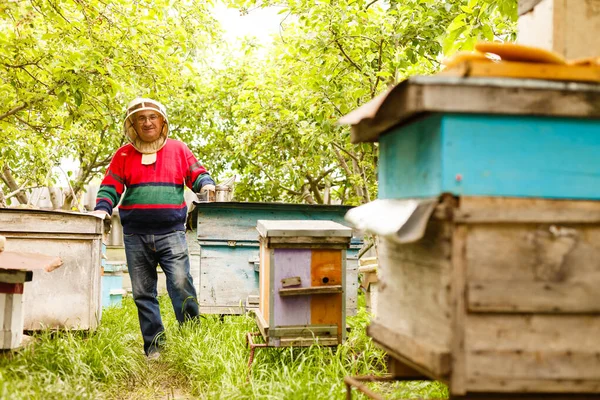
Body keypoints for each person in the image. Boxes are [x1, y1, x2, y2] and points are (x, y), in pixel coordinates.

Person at [92, 97, 215, 359]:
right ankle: (155, 347)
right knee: (143, 293)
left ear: (162, 122)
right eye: (141, 118)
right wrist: (102, 207)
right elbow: (109, 187)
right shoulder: (123, 154)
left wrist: (207, 185)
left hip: (172, 232)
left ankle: (193, 339)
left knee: (181, 284)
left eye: (152, 117)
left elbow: (198, 174)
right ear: (133, 124)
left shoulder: (179, 149)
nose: (147, 122)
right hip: (135, 235)